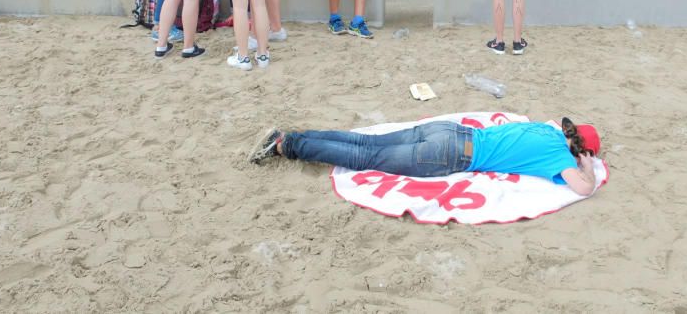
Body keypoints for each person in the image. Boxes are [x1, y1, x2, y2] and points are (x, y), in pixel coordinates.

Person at [249, 117, 602, 197]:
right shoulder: (560, 158)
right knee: (363, 157)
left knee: (364, 142)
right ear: (580, 150)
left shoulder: (545, 129)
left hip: (451, 131)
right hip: (453, 153)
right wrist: (587, 167)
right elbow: (584, 189)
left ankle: (298, 136)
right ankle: (287, 146)